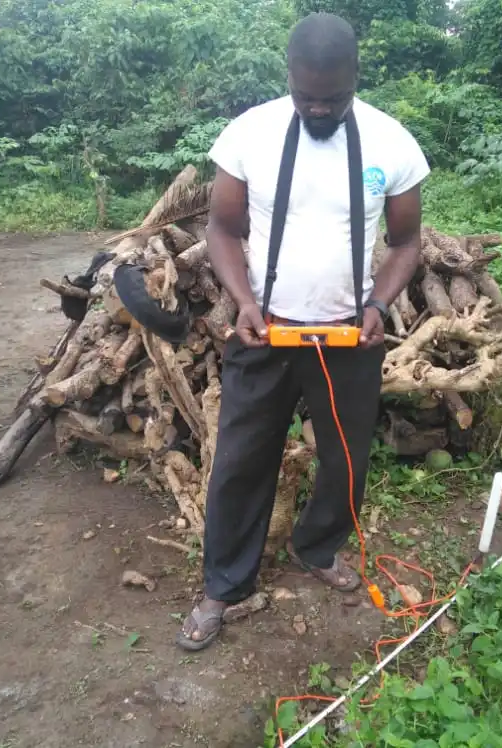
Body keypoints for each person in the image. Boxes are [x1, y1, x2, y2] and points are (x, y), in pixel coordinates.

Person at [177, 11, 430, 651]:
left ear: (355, 78)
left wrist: (378, 303)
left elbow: (406, 242)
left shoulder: (392, 143)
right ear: (288, 76)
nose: (318, 108)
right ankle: (224, 585)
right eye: (305, 96)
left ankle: (316, 547)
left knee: (346, 458)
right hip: (266, 333)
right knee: (240, 460)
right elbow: (222, 229)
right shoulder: (250, 134)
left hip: (348, 336)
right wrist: (243, 302)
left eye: (332, 98)